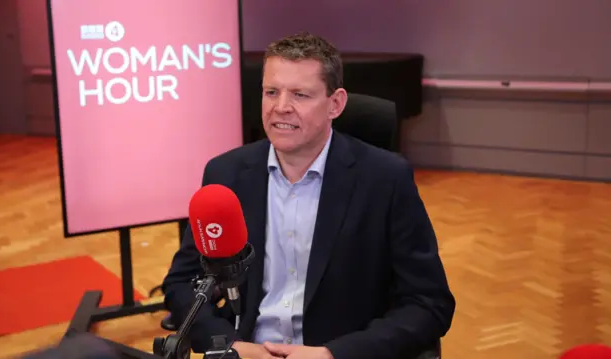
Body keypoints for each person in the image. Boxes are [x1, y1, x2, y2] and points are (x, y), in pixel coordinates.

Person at [162, 31, 455, 359]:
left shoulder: (385, 179)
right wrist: (227, 345)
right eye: (271, 92)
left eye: (300, 95)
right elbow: (183, 284)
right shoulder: (226, 175)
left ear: (336, 104)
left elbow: (429, 303)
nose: (281, 107)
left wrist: (334, 354)